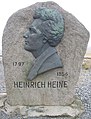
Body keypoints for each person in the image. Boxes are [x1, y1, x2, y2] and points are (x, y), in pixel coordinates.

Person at [23, 7, 64, 80]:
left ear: (45, 38)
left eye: (32, 31)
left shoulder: (52, 63)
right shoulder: (40, 59)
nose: (25, 35)